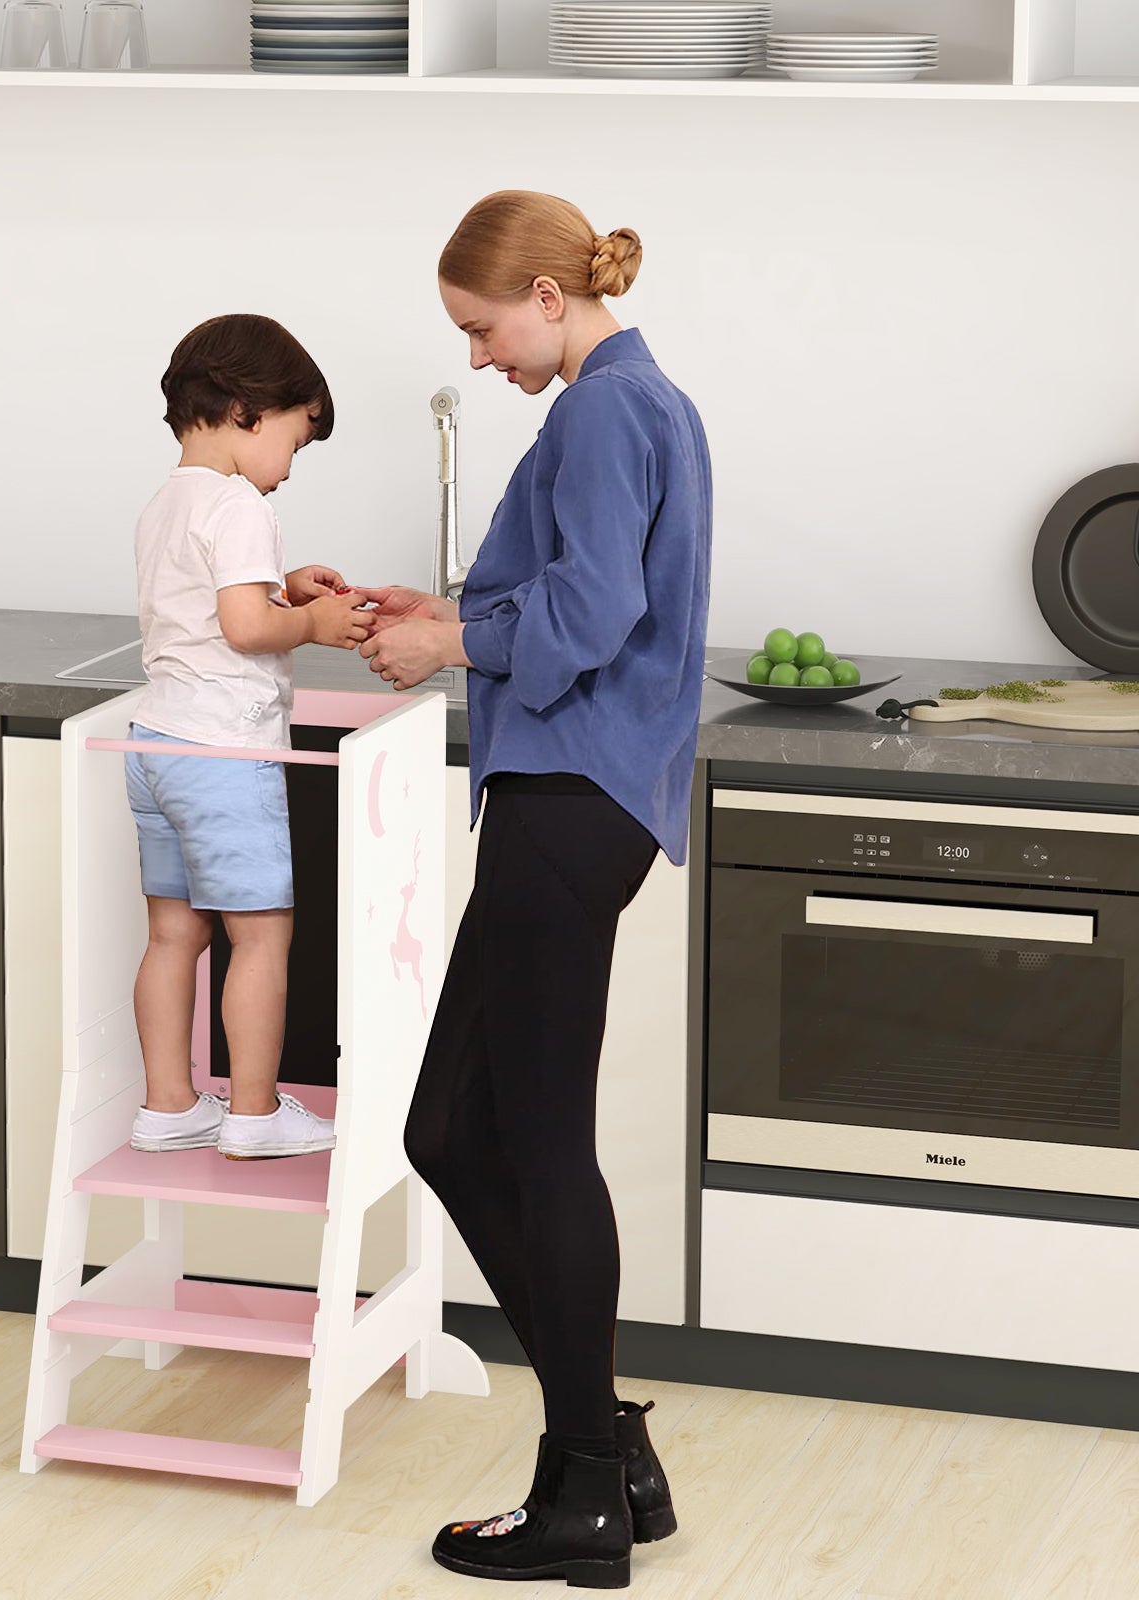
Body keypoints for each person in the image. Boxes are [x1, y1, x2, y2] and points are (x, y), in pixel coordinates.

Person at [358, 191, 712, 1589]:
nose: (478, 355)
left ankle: (582, 1496)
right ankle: (608, 1449)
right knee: (451, 1128)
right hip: (576, 799)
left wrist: (452, 647)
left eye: (483, 327)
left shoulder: (606, 411)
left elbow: (592, 614)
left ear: (549, 298)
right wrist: (449, 616)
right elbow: (573, 592)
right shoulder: (630, 401)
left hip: (570, 798)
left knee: (539, 1140)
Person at [125, 313, 373, 1161]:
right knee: (260, 936)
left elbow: (208, 605)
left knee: (173, 935)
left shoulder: (167, 501)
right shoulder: (239, 503)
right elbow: (244, 627)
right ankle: (256, 1114)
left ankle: (168, 1106)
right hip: (224, 754)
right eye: (295, 444)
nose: (289, 470)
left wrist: (283, 587)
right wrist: (313, 622)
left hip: (156, 744)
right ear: (247, 410)